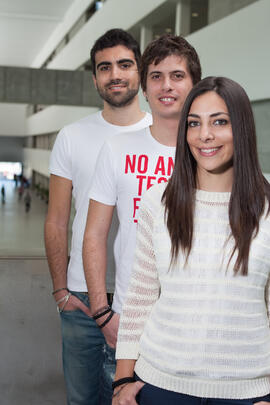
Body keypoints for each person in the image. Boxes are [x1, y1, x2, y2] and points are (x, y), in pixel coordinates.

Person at [113, 76, 270, 405]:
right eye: (194, 124)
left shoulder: (266, 206)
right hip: (161, 386)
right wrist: (122, 381)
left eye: (220, 122)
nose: (205, 135)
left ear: (241, 127)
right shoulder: (159, 202)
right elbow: (140, 297)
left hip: (247, 392)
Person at [82, 34, 201, 378]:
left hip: (192, 330)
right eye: (156, 76)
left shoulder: (209, 151)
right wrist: (104, 314)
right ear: (144, 89)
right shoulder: (116, 149)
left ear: (194, 85)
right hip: (128, 327)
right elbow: (94, 234)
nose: (167, 85)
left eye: (177, 76)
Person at [44, 28, 152, 405]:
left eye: (124, 64)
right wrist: (60, 289)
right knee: (82, 400)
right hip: (80, 301)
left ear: (139, 70)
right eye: (104, 68)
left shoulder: (163, 135)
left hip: (144, 301)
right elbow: (57, 219)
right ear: (94, 78)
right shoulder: (72, 136)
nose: (115, 74)